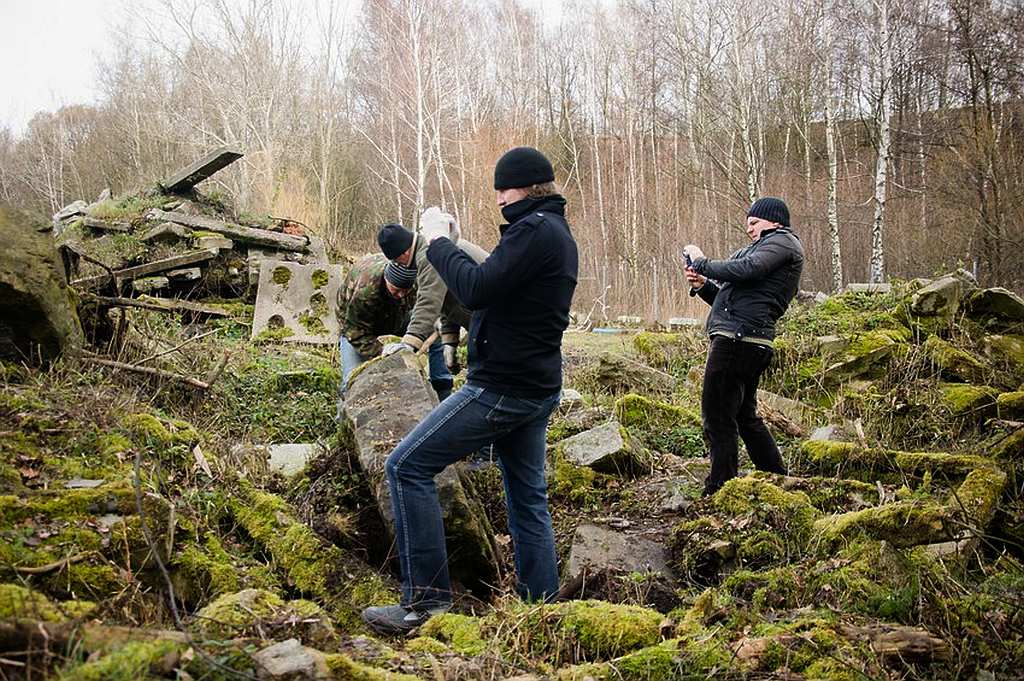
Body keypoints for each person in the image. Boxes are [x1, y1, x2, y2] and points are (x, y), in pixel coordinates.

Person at [362, 146, 578, 635]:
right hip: (535, 384)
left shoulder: (534, 231)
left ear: (521, 187)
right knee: (526, 496)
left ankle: (427, 602)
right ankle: (538, 609)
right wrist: (453, 244)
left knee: (406, 465)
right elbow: (495, 287)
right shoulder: (551, 232)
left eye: (502, 188)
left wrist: (437, 241)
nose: (498, 198)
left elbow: (476, 289)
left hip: (502, 388)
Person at [682, 196, 804, 497]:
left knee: (717, 415)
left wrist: (702, 262)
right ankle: (776, 478)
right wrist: (703, 285)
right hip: (743, 337)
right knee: (743, 416)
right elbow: (729, 301)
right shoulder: (760, 248)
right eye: (747, 224)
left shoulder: (782, 243)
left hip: (739, 341)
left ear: (774, 220)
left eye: (754, 223)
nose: (749, 229)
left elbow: (748, 269)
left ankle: (720, 488)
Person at [377, 223, 489, 400]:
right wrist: (450, 343)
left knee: (489, 383)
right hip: (488, 320)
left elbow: (430, 300)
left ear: (404, 253)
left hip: (497, 319)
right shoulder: (430, 250)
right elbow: (449, 301)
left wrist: (409, 342)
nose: (402, 267)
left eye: (398, 262)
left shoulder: (429, 254)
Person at [335, 253, 417, 394]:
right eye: (396, 289)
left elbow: (426, 311)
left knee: (431, 329)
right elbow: (354, 330)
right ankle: (343, 412)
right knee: (351, 382)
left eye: (405, 290)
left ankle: (441, 387)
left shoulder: (416, 282)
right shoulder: (365, 289)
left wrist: (412, 341)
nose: (401, 294)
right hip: (356, 324)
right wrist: (381, 350)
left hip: (395, 315)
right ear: (386, 279)